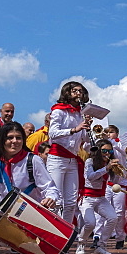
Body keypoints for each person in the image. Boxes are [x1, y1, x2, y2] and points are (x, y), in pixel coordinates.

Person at [0, 122, 60, 254]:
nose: (14, 141)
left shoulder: (33, 160)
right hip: (4, 211)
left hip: (29, 212)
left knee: (51, 210)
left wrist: (51, 198)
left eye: (18, 138)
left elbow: (50, 188)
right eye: (10, 138)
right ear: (2, 140)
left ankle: (34, 250)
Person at [45, 82, 92, 227]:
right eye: (75, 91)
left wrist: (87, 128)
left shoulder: (81, 113)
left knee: (71, 202)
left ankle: (66, 233)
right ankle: (54, 232)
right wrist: (74, 129)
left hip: (72, 159)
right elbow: (52, 133)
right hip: (57, 158)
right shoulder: (59, 111)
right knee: (56, 200)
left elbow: (84, 139)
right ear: (67, 92)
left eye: (81, 91)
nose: (79, 94)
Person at [76, 139, 121, 254]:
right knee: (90, 223)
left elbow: (115, 181)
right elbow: (90, 177)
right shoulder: (90, 161)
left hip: (101, 198)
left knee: (113, 218)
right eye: (104, 150)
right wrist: (106, 168)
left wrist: (116, 171)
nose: (107, 153)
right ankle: (81, 243)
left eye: (110, 151)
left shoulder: (108, 163)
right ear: (98, 151)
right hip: (87, 197)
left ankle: (101, 246)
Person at [101, 124, 127, 249]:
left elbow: (121, 150)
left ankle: (120, 237)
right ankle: (99, 238)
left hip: (120, 185)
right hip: (107, 184)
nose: (108, 134)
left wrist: (109, 141)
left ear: (117, 134)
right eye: (107, 132)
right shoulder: (104, 147)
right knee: (102, 212)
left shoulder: (121, 145)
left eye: (111, 132)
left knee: (119, 213)